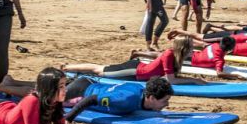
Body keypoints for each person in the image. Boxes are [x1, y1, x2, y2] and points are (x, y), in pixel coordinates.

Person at [0, 75, 173, 119]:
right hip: (81, 92)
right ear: (151, 97)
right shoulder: (126, 100)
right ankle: (0, 87)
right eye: (164, 101)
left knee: (46, 87)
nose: (166, 105)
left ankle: (11, 81)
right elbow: (90, 100)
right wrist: (69, 117)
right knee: (42, 96)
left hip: (86, 82)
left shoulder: (139, 89)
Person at [61, 36, 206, 85]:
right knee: (99, 70)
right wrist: (194, 80)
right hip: (134, 71)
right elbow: (171, 80)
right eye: (191, 47)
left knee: (101, 68)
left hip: (138, 67)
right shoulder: (169, 54)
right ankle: (67, 68)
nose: (193, 49)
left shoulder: (176, 55)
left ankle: (68, 67)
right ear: (183, 48)